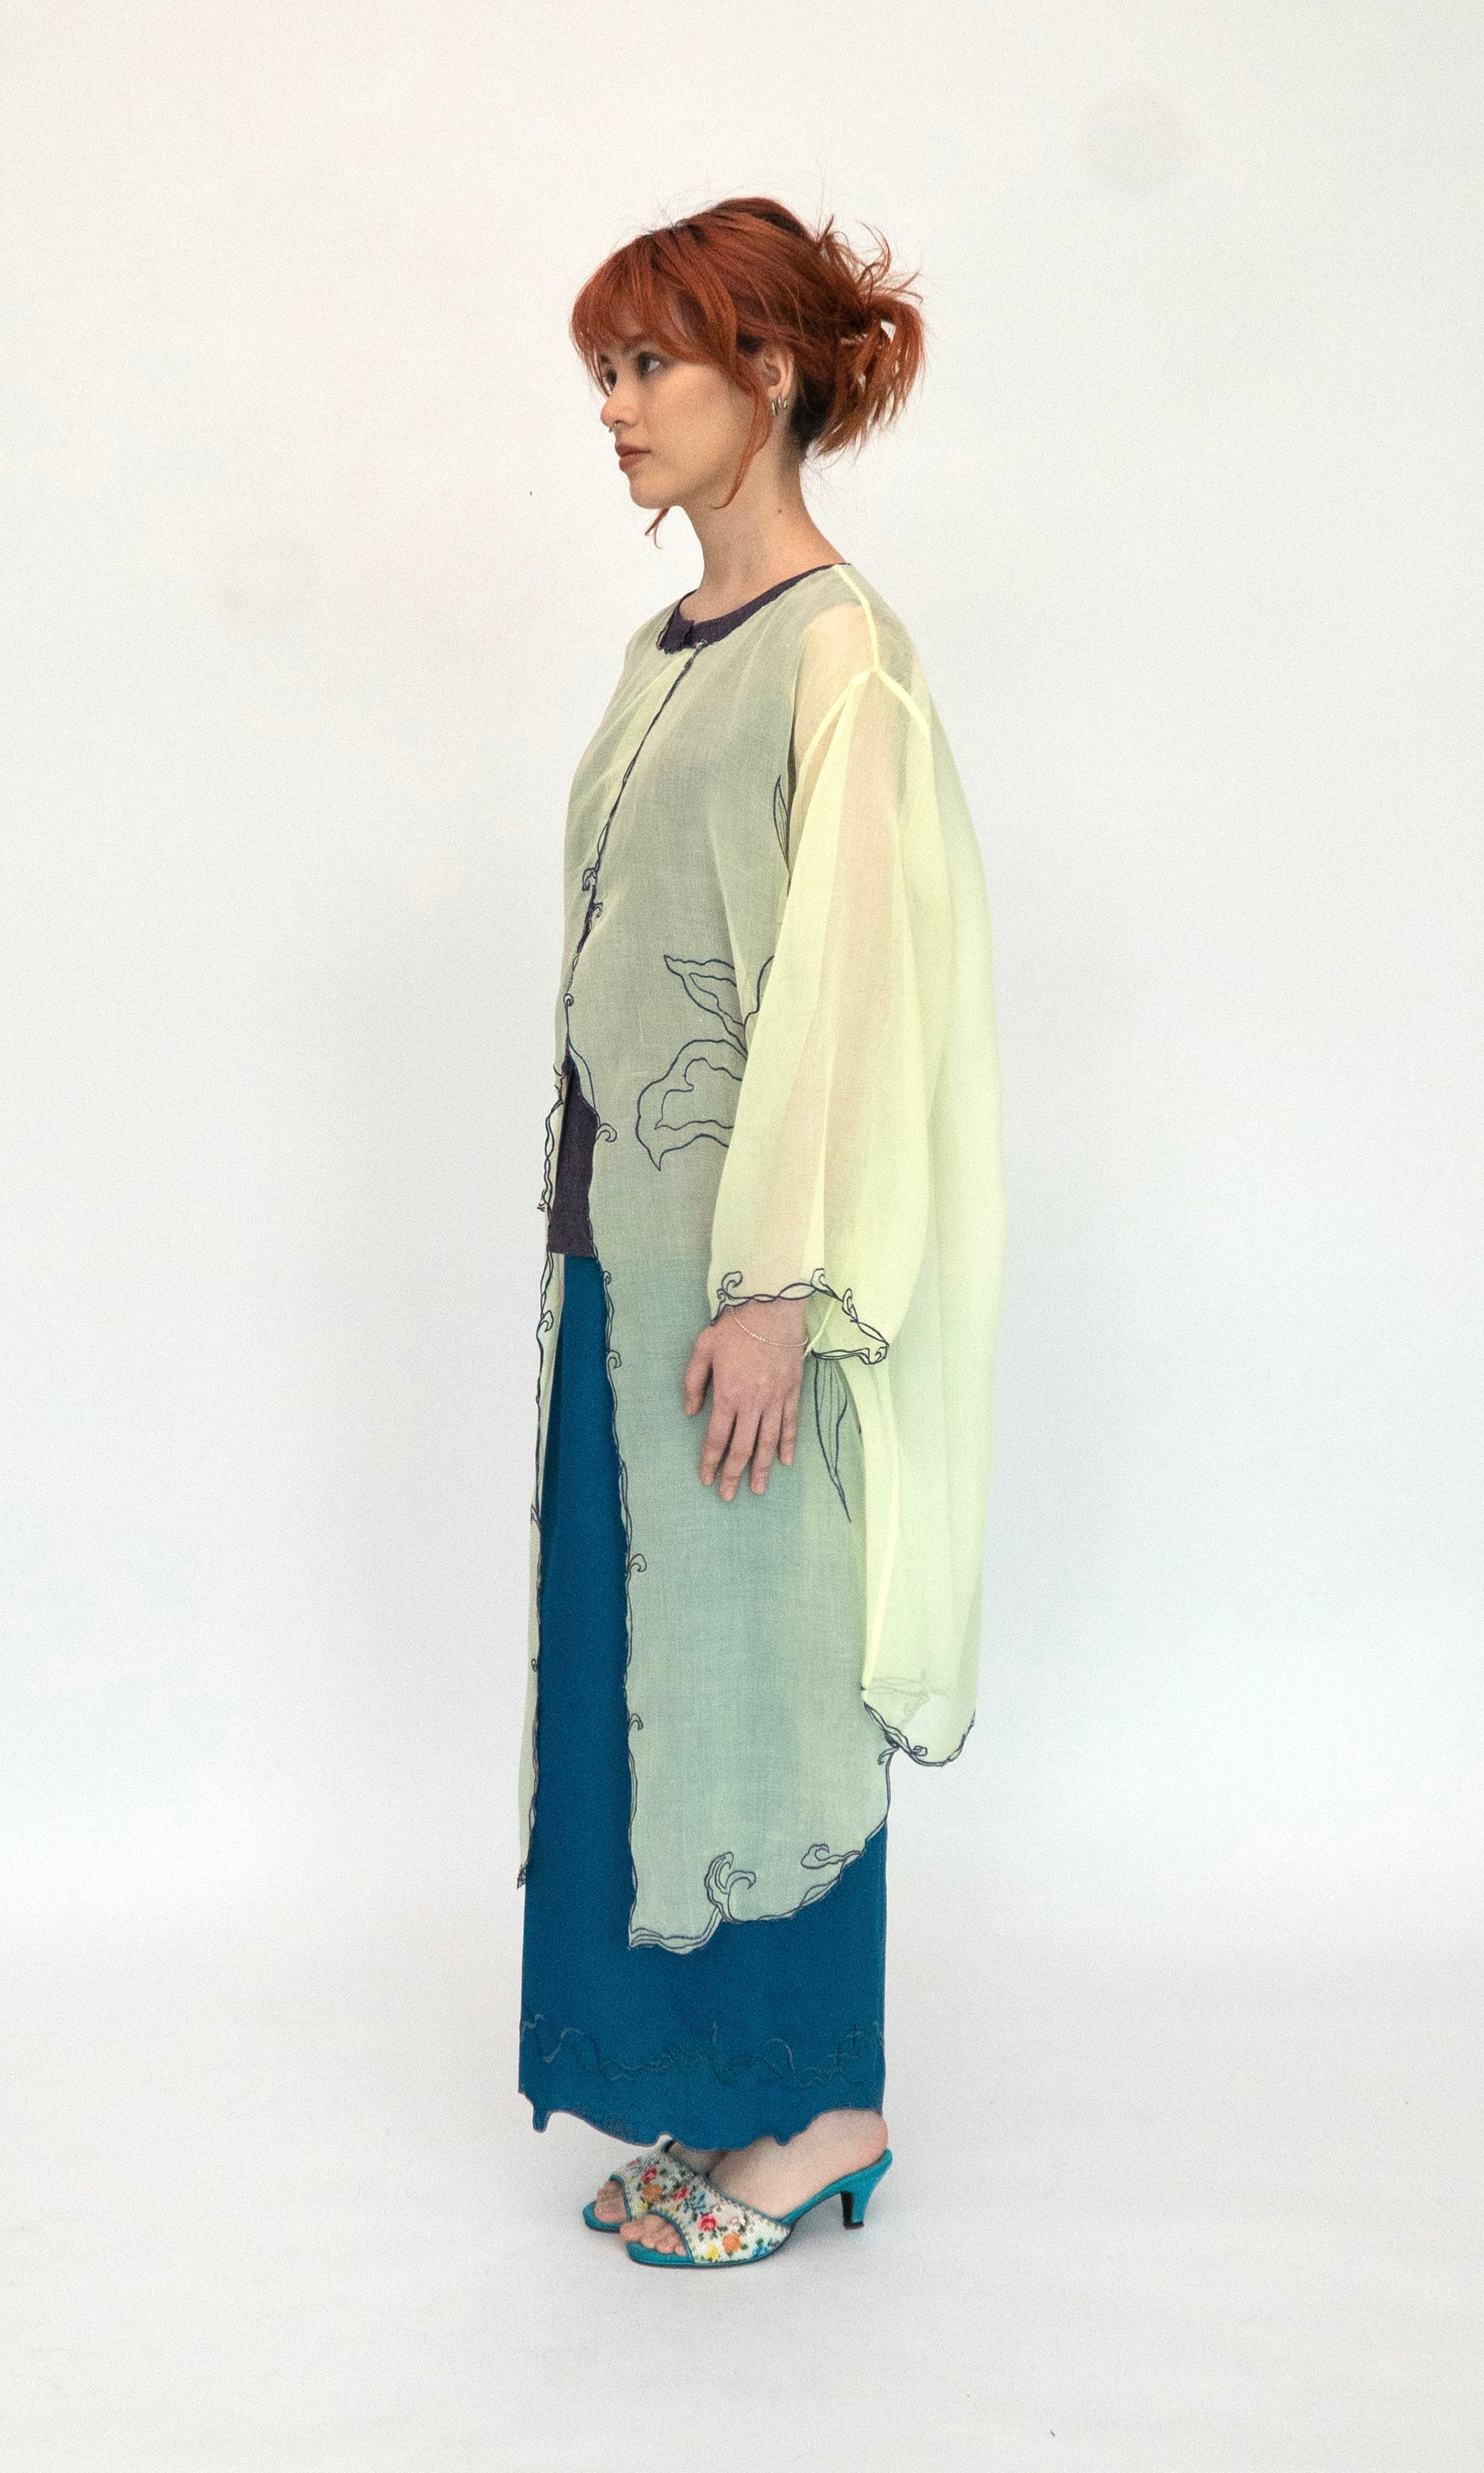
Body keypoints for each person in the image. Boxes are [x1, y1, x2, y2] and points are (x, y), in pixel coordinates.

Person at [516, 196, 1006, 2268]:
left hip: (746, 1286)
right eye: (603, 371)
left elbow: (850, 994)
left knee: (771, 1677)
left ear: (771, 374)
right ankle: (718, 2099)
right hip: (618, 1267)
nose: (615, 408)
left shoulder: (839, 660)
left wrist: (782, 1286)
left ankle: (826, 2113)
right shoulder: (667, 650)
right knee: (659, 1680)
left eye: (652, 365)